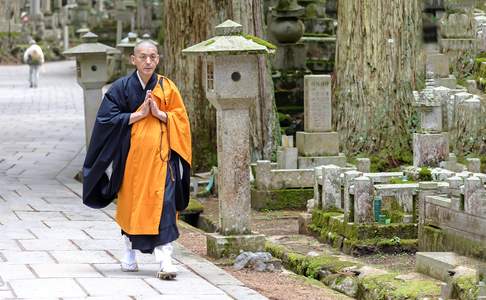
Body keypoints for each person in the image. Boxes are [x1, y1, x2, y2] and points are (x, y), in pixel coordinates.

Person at [82, 40, 192, 280]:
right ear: (133, 59)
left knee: (165, 206)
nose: (148, 61)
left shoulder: (168, 87)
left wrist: (161, 114)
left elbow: (181, 121)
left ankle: (165, 261)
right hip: (132, 163)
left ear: (159, 59)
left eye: (152, 56)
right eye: (142, 57)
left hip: (163, 162)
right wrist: (138, 114)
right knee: (132, 207)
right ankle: (129, 254)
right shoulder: (120, 88)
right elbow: (105, 121)